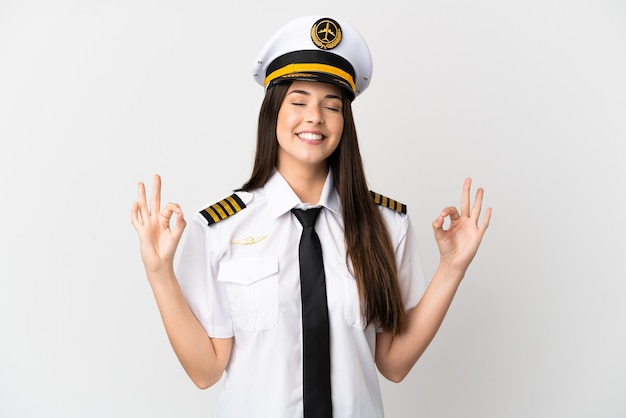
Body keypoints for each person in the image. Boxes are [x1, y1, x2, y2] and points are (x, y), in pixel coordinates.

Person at [131, 15, 491, 418]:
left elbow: (393, 363)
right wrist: (159, 272)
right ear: (273, 113)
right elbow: (205, 370)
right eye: (299, 101)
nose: (314, 117)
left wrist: (452, 268)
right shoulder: (219, 228)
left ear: (344, 123)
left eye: (331, 106)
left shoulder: (386, 225)